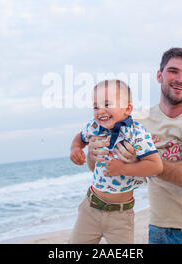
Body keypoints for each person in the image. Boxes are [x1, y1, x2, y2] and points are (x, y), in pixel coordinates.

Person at [87, 48, 182, 244]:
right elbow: (101, 166)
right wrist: (92, 154)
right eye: (173, 71)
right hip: (162, 233)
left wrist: (148, 162)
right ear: (159, 75)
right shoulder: (135, 122)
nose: (180, 78)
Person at [69, 79, 163, 244]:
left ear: (128, 108)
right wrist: (75, 149)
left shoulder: (137, 133)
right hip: (90, 208)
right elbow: (79, 137)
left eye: (107, 104)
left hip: (121, 215)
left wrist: (123, 169)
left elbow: (155, 166)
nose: (100, 111)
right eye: (96, 106)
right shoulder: (93, 127)